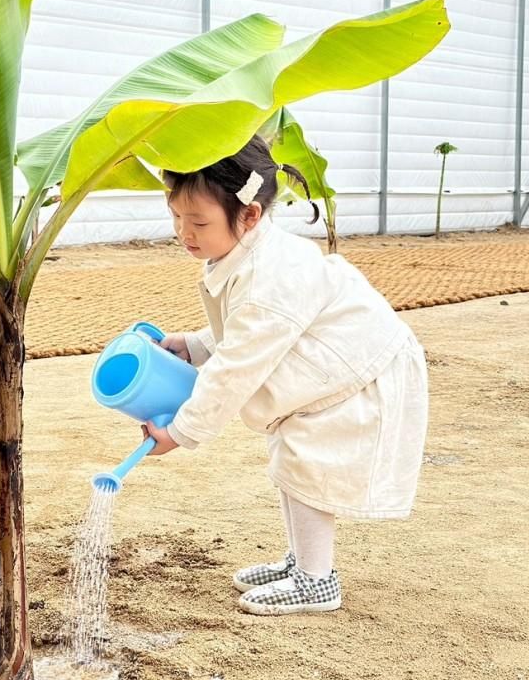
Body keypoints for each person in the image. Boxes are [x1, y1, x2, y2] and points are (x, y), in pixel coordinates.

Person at [141, 134, 428, 615]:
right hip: (328, 368)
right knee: (292, 464)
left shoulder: (270, 275)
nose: (184, 233)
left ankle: (317, 582)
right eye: (176, 218)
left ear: (249, 215)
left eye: (198, 222)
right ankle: (302, 562)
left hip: (356, 374)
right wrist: (192, 345)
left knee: (307, 467)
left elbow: (239, 362)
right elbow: (246, 332)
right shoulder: (248, 255)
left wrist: (181, 431)